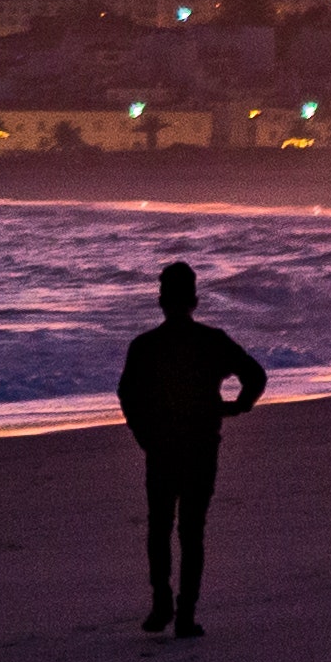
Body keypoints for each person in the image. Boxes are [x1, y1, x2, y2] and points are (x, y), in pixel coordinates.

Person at [114, 258, 269, 635]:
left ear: (161, 301)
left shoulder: (146, 346)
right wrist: (235, 408)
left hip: (162, 447)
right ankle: (185, 614)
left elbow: (127, 395)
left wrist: (143, 435)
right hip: (201, 445)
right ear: (194, 301)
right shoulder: (212, 341)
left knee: (160, 527)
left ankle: (161, 603)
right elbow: (256, 376)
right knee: (192, 530)